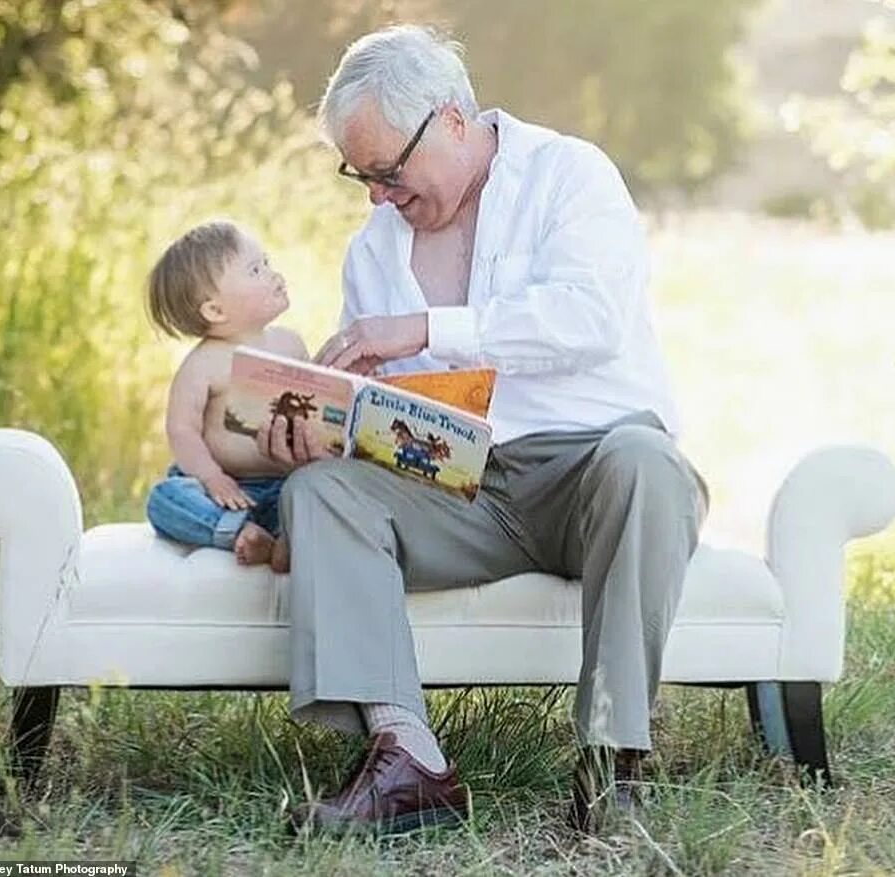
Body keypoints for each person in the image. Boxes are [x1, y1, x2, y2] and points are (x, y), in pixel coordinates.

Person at [259, 25, 709, 835]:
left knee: (647, 461)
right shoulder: (374, 249)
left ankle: (613, 765)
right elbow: (389, 408)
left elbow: (590, 319)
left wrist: (425, 328)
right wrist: (325, 425)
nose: (376, 196)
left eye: (388, 172)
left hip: (590, 470)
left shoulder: (567, 174)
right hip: (456, 485)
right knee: (323, 489)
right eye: (359, 176)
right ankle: (408, 763)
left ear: (452, 119)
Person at [145, 219, 306, 568]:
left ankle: (289, 538)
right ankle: (240, 533)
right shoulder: (203, 365)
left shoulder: (290, 344)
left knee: (316, 495)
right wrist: (212, 477)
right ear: (215, 310)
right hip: (226, 489)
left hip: (285, 485)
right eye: (255, 270)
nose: (273, 274)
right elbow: (182, 431)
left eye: (267, 263)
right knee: (165, 498)